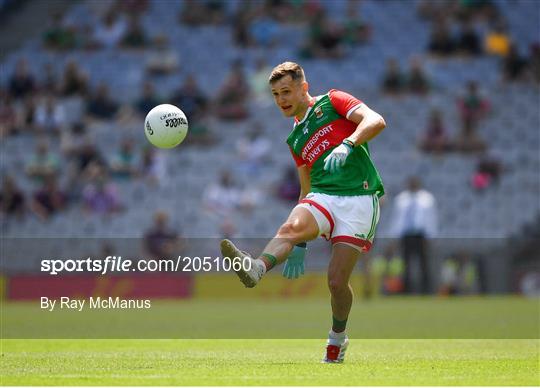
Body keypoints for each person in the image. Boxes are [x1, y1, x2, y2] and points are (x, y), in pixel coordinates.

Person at [219, 62, 386, 363]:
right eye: (275, 94)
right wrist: (299, 243)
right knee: (289, 228)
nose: (281, 99)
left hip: (359, 197)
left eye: (286, 91)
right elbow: (305, 191)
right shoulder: (294, 139)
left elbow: (376, 121)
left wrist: (348, 143)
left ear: (303, 88)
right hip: (322, 195)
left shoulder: (333, 101)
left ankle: (337, 338)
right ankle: (256, 268)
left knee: (336, 282)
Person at [390, 177, 438, 294]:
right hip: (406, 235)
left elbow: (431, 218)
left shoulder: (427, 199)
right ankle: (407, 290)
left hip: (421, 235)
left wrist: (431, 235)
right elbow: (397, 219)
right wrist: (394, 236)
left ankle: (427, 290)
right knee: (406, 264)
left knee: (424, 263)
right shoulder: (401, 199)